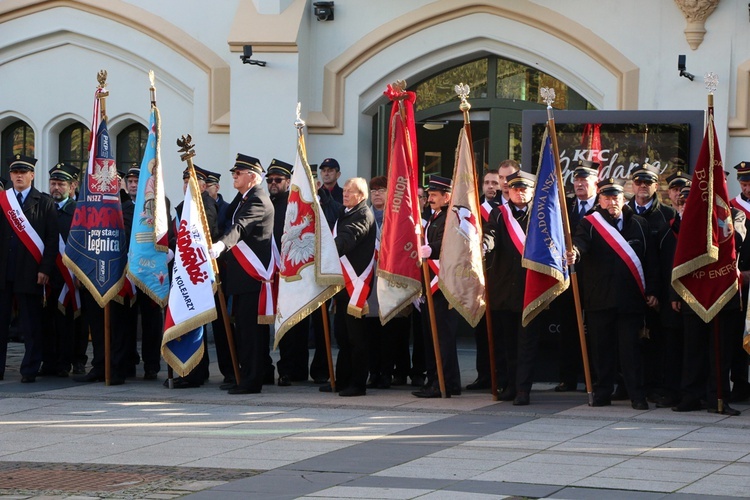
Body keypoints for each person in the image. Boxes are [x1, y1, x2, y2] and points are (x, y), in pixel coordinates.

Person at [567, 178, 659, 410]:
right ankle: (603, 392)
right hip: (600, 298)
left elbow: (651, 261)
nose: (611, 202)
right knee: (602, 350)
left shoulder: (638, 224)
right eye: (606, 198)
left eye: (615, 197)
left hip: (630, 300)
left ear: (623, 199)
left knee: (631, 350)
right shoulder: (589, 224)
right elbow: (580, 244)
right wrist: (574, 253)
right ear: (600, 200)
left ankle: (636, 395)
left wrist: (652, 290)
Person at [210, 154, 274, 394]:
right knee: (245, 330)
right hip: (243, 278)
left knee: (251, 333)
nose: (234, 176)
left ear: (253, 177)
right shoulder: (245, 198)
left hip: (252, 277)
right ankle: (248, 375)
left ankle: (252, 380)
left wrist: (220, 246)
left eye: (239, 173)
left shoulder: (258, 199)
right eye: (234, 173)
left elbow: (240, 227)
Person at [0, 155, 59, 383]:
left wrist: (45, 268)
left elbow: (51, 239)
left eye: (23, 172)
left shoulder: (43, 202)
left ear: (32, 175)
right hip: (4, 272)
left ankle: (30, 369)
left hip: (31, 271)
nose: (18, 176)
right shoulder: (3, 201)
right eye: (15, 172)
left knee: (31, 324)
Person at [483, 170, 537, 404]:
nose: (519, 192)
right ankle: (508, 384)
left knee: (526, 344)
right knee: (507, 343)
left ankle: (523, 389)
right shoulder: (499, 213)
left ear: (532, 191)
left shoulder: (541, 215)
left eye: (524, 188)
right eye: (515, 188)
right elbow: (490, 234)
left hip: (531, 288)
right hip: (504, 289)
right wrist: (484, 246)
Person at [320, 177, 377, 397]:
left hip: (356, 284)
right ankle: (342, 379)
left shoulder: (362, 214)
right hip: (344, 284)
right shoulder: (347, 211)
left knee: (356, 338)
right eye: (343, 191)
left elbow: (347, 238)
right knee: (342, 336)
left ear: (361, 196)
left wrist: (325, 252)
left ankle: (357, 383)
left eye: (349, 192)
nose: (344, 195)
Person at [627, 163, 677, 401]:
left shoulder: (668, 215)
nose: (643, 186)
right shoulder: (622, 212)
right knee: (628, 341)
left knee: (657, 341)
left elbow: (664, 260)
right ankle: (627, 385)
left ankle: (656, 386)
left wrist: (655, 290)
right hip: (628, 291)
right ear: (632, 185)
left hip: (657, 293)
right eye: (638, 182)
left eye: (648, 182)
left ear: (657, 185)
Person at [169, 164, 222, 388]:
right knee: (185, 321)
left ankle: (195, 373)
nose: (186, 186)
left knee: (196, 322)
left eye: (191, 182)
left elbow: (206, 236)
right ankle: (185, 370)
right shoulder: (183, 206)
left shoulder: (205, 205)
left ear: (202, 186)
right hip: (183, 272)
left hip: (197, 274)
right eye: (184, 182)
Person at [413, 175, 462, 398]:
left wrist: (430, 249)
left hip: (443, 286)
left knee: (443, 337)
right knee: (431, 336)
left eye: (434, 195)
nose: (430, 199)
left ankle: (445, 382)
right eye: (429, 195)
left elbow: (449, 243)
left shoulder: (451, 218)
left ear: (447, 196)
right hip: (430, 286)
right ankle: (436, 379)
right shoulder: (435, 216)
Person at [552, 160, 598, 393]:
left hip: (595, 278)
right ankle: (567, 377)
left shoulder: (603, 206)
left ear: (595, 181)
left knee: (597, 331)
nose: (579, 184)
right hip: (568, 277)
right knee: (568, 329)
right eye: (576, 180)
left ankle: (596, 378)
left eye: (584, 180)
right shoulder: (565, 206)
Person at [267, 159, 309, 386]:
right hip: (272, 273)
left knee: (294, 324)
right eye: (270, 180)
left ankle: (294, 369)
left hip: (292, 271)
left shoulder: (294, 205)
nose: (273, 184)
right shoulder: (268, 203)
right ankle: (288, 368)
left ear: (289, 181)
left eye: (278, 180)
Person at [39, 162, 79, 378]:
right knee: (46, 321)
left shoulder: (77, 211)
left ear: (71, 186)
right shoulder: (44, 208)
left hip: (69, 276)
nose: (55, 188)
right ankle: (49, 361)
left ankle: (67, 361)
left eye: (61, 184)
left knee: (68, 322)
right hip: (47, 274)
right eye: (53, 183)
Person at [467, 169, 504, 391]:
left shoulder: (503, 211)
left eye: (495, 183)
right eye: (487, 182)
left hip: (499, 276)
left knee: (499, 330)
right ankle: (483, 375)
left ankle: (499, 376)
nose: (491, 186)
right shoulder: (474, 210)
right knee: (481, 330)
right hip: (478, 278)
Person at [206, 170, 231, 235]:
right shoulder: (195, 207)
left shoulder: (228, 209)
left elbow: (228, 233)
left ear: (217, 187)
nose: (204, 190)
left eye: (207, 186)